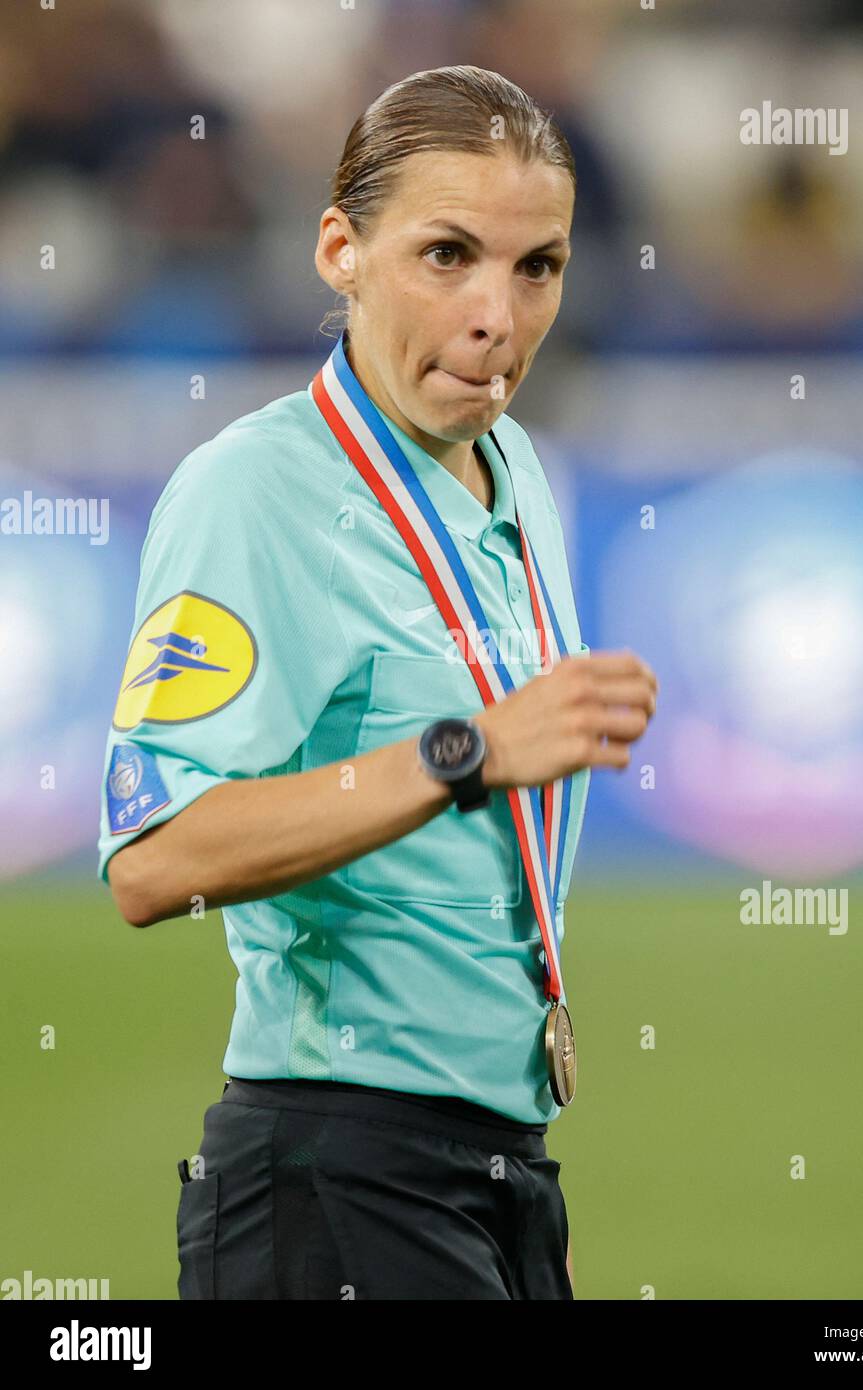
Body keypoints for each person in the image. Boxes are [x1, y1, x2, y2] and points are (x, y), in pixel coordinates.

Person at [98, 64, 658, 1301]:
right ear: (339, 250)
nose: (495, 317)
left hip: (497, 1175)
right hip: (329, 1178)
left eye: (538, 267)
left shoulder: (518, 470)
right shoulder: (254, 493)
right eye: (446, 254)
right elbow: (155, 858)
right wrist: (463, 752)